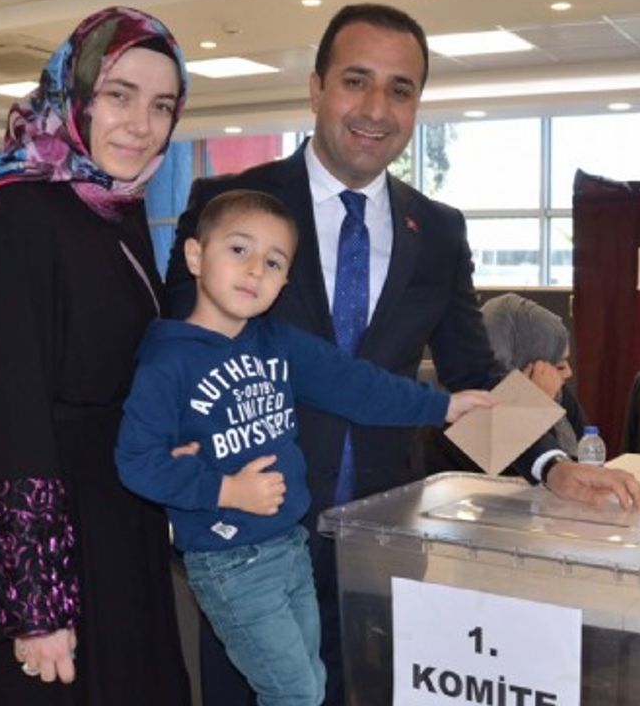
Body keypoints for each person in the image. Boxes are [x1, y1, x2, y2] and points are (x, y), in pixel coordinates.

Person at [164, 3, 640, 705]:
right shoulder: (232, 203)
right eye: (355, 81)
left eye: (400, 89)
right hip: (250, 539)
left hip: (382, 544)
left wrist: (553, 464)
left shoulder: (438, 231)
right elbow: (182, 348)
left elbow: (474, 374)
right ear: (317, 88)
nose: (375, 109)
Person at [118, 189, 492, 705]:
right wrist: (226, 490)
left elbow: (355, 384)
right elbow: (137, 462)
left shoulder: (277, 342)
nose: (255, 270)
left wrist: (442, 406)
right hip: (231, 563)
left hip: (291, 547)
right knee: (295, 694)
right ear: (196, 256)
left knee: (309, 687)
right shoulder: (167, 362)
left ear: (285, 281)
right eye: (238, 250)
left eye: (273, 262)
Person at [0, 7, 191, 705]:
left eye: (162, 105)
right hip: (51, 525)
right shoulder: (12, 214)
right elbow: (9, 414)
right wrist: (38, 604)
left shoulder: (111, 204)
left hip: (120, 510)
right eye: (119, 95)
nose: (141, 125)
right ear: (75, 94)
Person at [481, 294, 588, 455]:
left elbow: (585, 454)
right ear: (521, 364)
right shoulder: (460, 404)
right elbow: (490, 459)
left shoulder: (560, 396)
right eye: (558, 365)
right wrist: (534, 404)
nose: (568, 372)